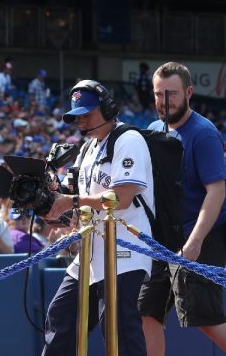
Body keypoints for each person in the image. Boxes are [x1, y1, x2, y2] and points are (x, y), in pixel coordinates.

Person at [41, 80, 153, 356]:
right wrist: (52, 204)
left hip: (125, 248)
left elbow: (122, 197)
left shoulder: (129, 139)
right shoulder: (87, 148)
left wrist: (73, 201)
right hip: (91, 251)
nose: (81, 121)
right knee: (62, 316)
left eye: (87, 113)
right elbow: (73, 196)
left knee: (118, 329)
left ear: (108, 108)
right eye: (77, 115)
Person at [139, 62, 226, 355]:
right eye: (158, 93)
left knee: (204, 319)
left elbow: (217, 190)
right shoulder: (152, 130)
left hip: (202, 235)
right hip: (163, 239)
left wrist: (196, 241)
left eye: (172, 93)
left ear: (188, 92)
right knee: (146, 311)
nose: (165, 101)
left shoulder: (204, 134)